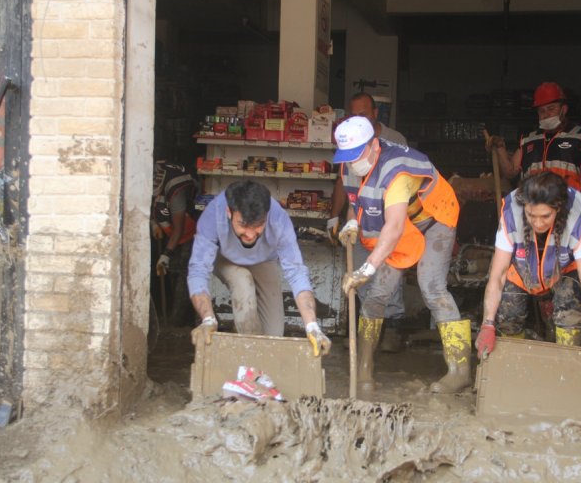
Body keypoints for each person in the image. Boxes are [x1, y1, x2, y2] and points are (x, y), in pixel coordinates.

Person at [333, 116, 470, 394]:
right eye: (347, 157)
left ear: (373, 146)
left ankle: (460, 370)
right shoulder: (349, 166)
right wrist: (351, 222)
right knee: (377, 295)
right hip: (403, 226)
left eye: (357, 155)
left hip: (434, 220)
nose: (352, 162)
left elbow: (393, 228)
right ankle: (363, 368)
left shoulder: (396, 170)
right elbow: (355, 201)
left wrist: (366, 269)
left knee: (432, 287)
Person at [476, 172, 581, 371]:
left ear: (558, 209)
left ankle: (566, 370)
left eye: (545, 216)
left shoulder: (576, 218)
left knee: (570, 313)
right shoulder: (511, 215)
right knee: (508, 315)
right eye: (531, 215)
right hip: (521, 270)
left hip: (564, 270)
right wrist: (487, 324)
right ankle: (513, 369)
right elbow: (497, 276)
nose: (538, 223)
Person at [186, 180, 331, 357]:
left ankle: (242, 331)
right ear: (229, 212)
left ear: (267, 215)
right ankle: (250, 360)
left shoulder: (278, 218)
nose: (250, 234)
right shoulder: (213, 213)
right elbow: (198, 269)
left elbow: (297, 273)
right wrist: (208, 318)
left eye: (258, 225)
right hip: (224, 258)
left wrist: (312, 326)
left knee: (274, 335)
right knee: (242, 281)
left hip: (263, 260)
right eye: (243, 225)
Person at [327, 92, 408, 352]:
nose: (358, 118)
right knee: (361, 275)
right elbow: (345, 183)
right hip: (361, 219)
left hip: (390, 219)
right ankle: (367, 337)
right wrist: (336, 216)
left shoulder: (395, 140)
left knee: (389, 276)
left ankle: (393, 327)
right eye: (353, 114)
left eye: (363, 113)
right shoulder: (348, 140)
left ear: (375, 113)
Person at [487, 82, 581, 191]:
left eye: (551, 108)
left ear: (564, 109)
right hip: (534, 205)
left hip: (567, 205)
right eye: (541, 111)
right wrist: (500, 147)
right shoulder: (528, 139)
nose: (546, 114)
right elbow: (510, 172)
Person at [151, 159, 198, 326]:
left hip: (190, 234)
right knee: (171, 272)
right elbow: (152, 205)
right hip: (173, 236)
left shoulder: (176, 192)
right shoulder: (151, 183)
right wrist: (155, 223)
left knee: (183, 278)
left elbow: (179, 229)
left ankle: (176, 322)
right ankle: (172, 317)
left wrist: (165, 254)